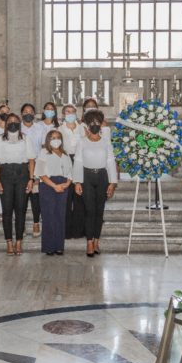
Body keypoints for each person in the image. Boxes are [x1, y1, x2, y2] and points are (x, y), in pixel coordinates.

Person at [74, 109, 117, 257]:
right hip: (86, 177)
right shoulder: (82, 142)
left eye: (97, 122)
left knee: (99, 211)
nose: (94, 125)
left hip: (102, 177)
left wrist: (112, 183)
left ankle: (97, 241)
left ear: (101, 124)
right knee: (90, 211)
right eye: (91, 122)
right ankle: (89, 242)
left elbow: (110, 161)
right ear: (87, 125)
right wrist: (77, 182)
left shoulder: (106, 142)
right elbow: (78, 161)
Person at [0, 113, 36, 255]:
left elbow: (31, 160)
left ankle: (18, 242)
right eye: (10, 121)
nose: (13, 123)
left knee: (20, 209)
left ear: (19, 123)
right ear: (6, 124)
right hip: (5, 174)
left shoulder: (25, 138)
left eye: (15, 121)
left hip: (22, 174)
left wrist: (31, 179)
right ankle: (9, 243)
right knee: (7, 211)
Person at [35, 129, 73, 255]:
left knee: (60, 216)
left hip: (63, 185)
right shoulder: (43, 152)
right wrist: (54, 186)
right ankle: (49, 247)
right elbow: (40, 173)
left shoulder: (65, 154)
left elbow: (70, 172)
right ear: (48, 140)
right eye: (53, 138)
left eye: (58, 137)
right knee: (49, 216)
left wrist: (67, 183)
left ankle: (59, 246)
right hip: (48, 185)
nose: (56, 140)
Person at [59, 104, 85, 240]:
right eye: (67, 112)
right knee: (66, 198)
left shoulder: (82, 128)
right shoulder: (59, 129)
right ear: (63, 114)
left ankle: (79, 230)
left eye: (72, 111)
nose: (70, 114)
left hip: (80, 162)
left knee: (79, 198)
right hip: (65, 161)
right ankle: (66, 231)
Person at [21, 103, 46, 238]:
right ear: (21, 114)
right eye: (25, 111)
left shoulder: (40, 128)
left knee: (35, 196)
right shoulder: (17, 128)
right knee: (22, 196)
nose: (28, 113)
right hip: (21, 166)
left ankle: (36, 222)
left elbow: (43, 147)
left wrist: (39, 168)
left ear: (34, 114)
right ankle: (21, 223)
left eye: (31, 111)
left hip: (36, 165)